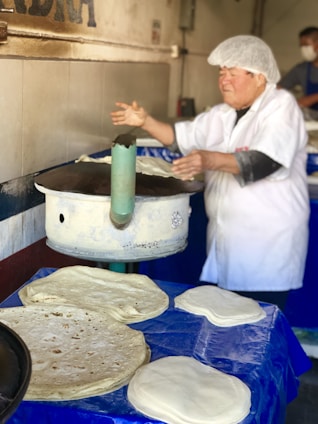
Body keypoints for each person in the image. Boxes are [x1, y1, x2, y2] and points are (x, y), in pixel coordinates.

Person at [110, 35, 309, 311]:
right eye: (221, 72)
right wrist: (146, 121)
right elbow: (178, 138)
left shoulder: (281, 107)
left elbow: (263, 161)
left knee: (258, 328)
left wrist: (207, 159)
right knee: (227, 324)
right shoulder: (221, 115)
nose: (224, 79)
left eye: (232, 73)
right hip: (228, 243)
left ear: (259, 77)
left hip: (266, 247)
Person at [279, 26, 318, 119]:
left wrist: (310, 99)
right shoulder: (301, 69)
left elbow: (305, 101)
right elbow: (279, 88)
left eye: (306, 45)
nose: (304, 49)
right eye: (302, 46)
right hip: (311, 117)